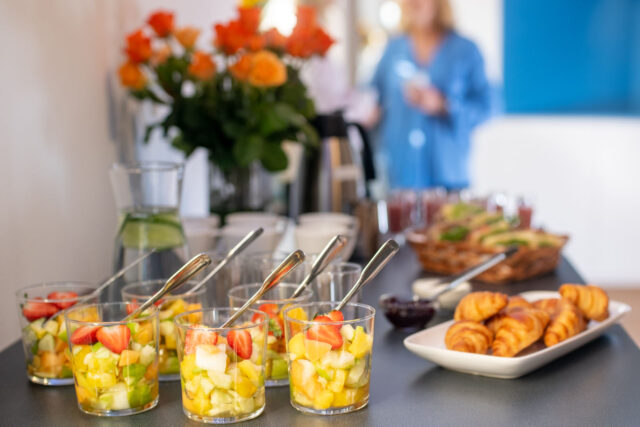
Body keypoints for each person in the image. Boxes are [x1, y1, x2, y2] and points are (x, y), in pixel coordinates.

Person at [371, 0, 490, 190]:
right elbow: (373, 98)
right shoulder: (393, 49)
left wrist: (444, 105)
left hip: (449, 178)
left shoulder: (466, 50)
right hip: (400, 177)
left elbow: (488, 108)